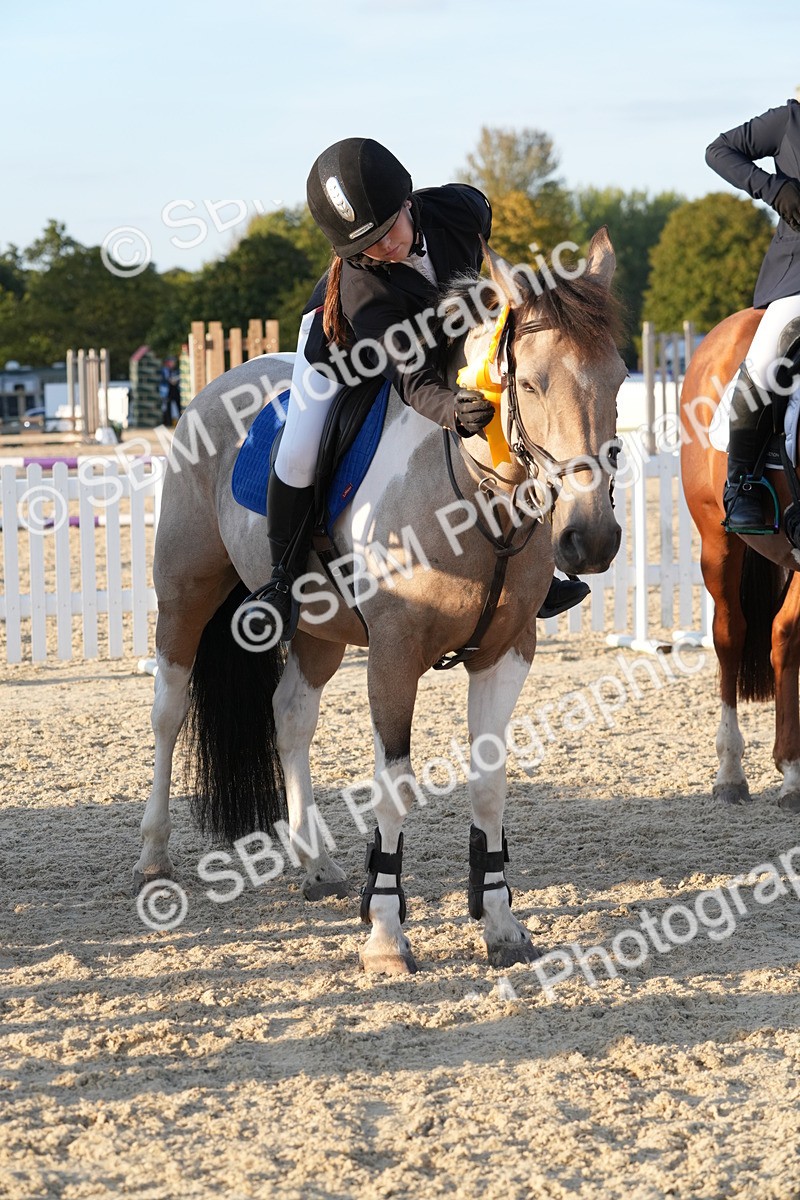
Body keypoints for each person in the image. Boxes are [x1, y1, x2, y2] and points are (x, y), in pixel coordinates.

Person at [260, 137, 590, 636]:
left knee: (515, 418)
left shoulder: (462, 208)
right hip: (345, 351)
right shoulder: (361, 287)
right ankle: (280, 581)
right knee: (299, 452)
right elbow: (409, 376)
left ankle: (536, 567)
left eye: (388, 229)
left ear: (407, 203)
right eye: (368, 245)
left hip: (442, 331)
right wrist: (451, 410)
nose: (385, 247)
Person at [706, 99, 800, 532]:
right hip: (797, 276)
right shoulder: (789, 121)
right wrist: (773, 189)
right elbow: (718, 151)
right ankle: (743, 483)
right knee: (766, 359)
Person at [159, 357, 181, 427]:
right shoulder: (164, 370)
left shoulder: (176, 370)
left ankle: (180, 421)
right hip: (167, 391)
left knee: (179, 406)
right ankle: (168, 422)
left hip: (175, 390)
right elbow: (164, 379)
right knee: (167, 407)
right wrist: (169, 380)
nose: (172, 364)